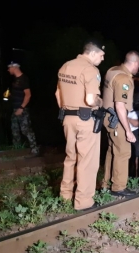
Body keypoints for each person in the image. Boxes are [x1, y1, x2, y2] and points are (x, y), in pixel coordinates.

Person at [55, 39, 105, 211]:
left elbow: (58, 95)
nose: (102, 58)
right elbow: (91, 100)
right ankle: (83, 202)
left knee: (70, 157)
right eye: (101, 55)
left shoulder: (65, 66)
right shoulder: (91, 70)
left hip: (67, 118)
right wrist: (100, 101)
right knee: (87, 161)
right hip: (85, 119)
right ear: (91, 53)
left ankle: (65, 195)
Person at [102, 51, 139, 196]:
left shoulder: (112, 71)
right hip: (117, 119)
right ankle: (119, 187)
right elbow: (120, 106)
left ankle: (106, 184)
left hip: (107, 117)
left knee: (112, 151)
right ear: (134, 63)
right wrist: (128, 130)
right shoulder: (123, 79)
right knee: (123, 152)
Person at [7, 61, 40, 157]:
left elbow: (28, 95)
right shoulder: (15, 80)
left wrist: (22, 108)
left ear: (14, 67)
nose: (8, 70)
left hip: (22, 109)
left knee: (26, 129)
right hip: (15, 108)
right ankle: (17, 150)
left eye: (9, 68)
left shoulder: (23, 79)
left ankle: (35, 149)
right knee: (15, 130)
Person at [127, 109, 139, 178]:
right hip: (128, 130)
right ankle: (131, 176)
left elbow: (136, 123)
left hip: (137, 131)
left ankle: (136, 177)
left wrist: (127, 118)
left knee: (137, 153)